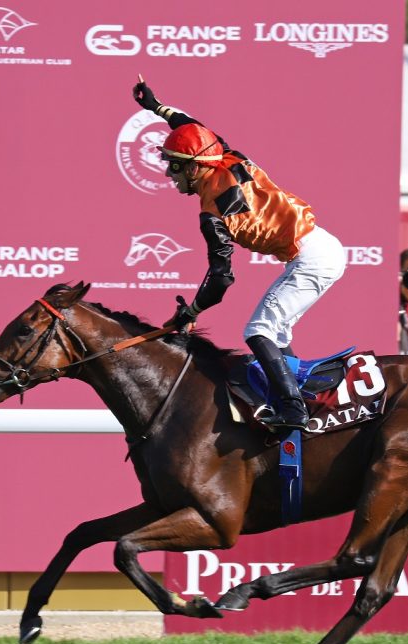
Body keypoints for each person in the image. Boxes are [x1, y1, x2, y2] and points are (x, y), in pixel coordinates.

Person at [132, 79, 347, 432]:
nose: (170, 175)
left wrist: (192, 312)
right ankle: (299, 398)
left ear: (196, 168)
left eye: (175, 166)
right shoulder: (229, 156)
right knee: (276, 334)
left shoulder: (211, 214)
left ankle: (295, 413)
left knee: (258, 331)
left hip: (313, 257)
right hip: (320, 247)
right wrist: (158, 108)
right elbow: (194, 130)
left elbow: (220, 279)